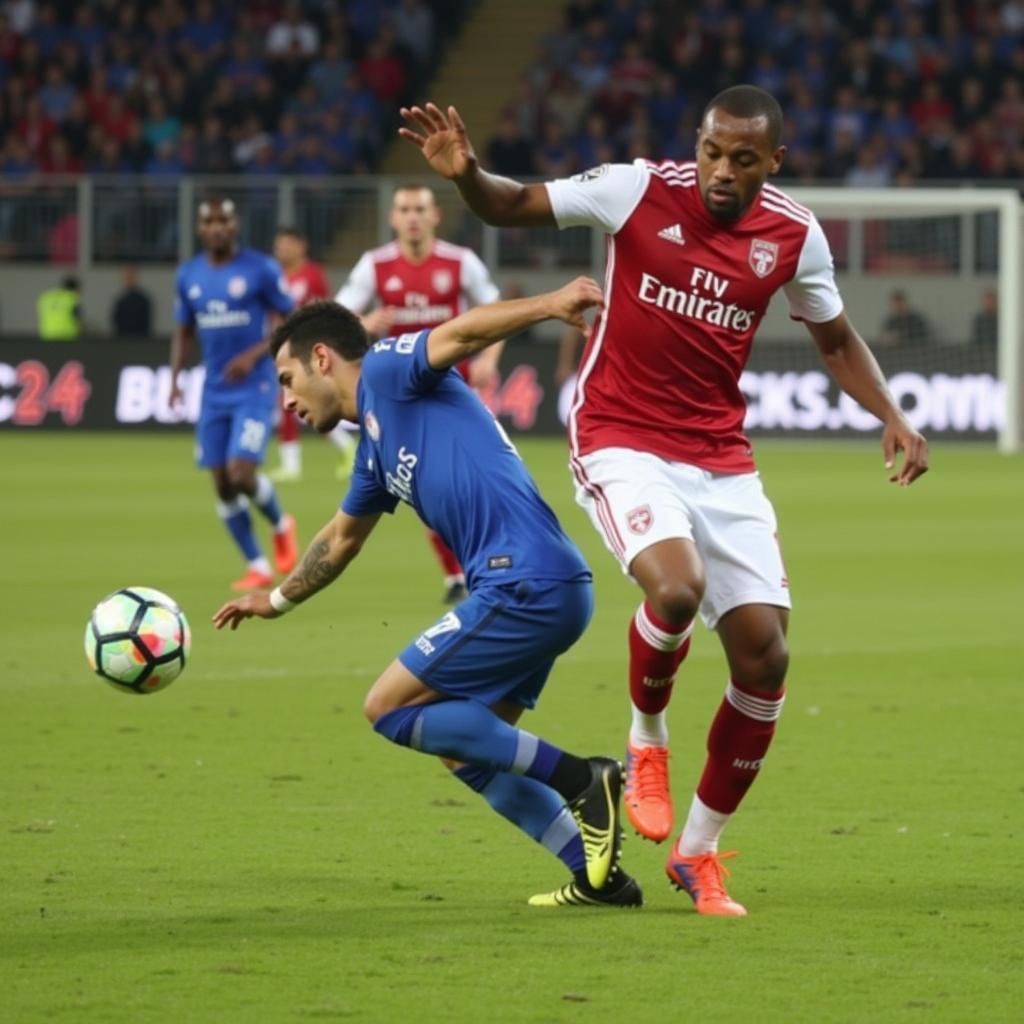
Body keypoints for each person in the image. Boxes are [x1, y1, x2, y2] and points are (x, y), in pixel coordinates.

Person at [400, 86, 930, 916]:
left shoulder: (794, 235)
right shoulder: (635, 188)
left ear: (774, 163)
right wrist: (466, 172)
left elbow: (833, 338)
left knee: (766, 657)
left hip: (720, 453)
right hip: (619, 434)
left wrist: (892, 413)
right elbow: (514, 205)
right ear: (700, 143)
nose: (723, 171)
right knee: (675, 589)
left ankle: (698, 852)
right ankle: (646, 741)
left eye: (744, 160)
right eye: (714, 151)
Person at [213, 280, 640, 909]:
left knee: (387, 707)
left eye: (286, 377)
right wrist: (275, 601)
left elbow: (463, 332)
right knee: (463, 749)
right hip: (550, 586)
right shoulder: (374, 450)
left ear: (322, 358)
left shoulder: (387, 369)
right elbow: (340, 540)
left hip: (522, 580)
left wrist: (548, 305)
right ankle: (599, 878)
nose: (287, 399)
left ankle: (583, 777)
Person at [335, 182, 504, 605]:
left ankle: (468, 568)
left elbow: (493, 308)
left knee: (473, 479)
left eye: (419, 209)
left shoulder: (459, 262)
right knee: (427, 485)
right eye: (404, 209)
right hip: (399, 400)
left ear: (435, 217)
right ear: (393, 218)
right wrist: (365, 323)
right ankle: (460, 571)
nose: (412, 216)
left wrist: (490, 359)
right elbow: (338, 318)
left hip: (453, 391)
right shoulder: (374, 265)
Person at [170, 197, 300, 592]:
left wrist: (254, 353)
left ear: (235, 225)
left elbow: (292, 319)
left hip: (255, 387)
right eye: (208, 221)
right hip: (213, 391)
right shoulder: (188, 275)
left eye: (222, 220)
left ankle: (281, 523)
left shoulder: (260, 269)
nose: (215, 228)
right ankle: (257, 566)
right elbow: (184, 330)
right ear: (199, 228)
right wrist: (175, 378)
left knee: (241, 473)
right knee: (222, 484)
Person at [268, 226, 356, 483]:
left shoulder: (312, 274)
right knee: (292, 402)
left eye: (286, 244)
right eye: (278, 245)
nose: (281, 250)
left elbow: (321, 309)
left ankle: (341, 449)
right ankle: (299, 462)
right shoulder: (274, 275)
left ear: (300, 246)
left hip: (308, 349)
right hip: (284, 349)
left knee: (308, 400)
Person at [110, 266, 153, 339]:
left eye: (130, 277)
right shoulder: (121, 300)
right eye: (126, 278)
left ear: (135, 279)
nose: (127, 280)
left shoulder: (143, 300)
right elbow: (116, 320)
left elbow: (146, 323)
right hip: (123, 339)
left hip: (139, 339)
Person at [37, 275, 81, 341]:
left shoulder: (46, 297)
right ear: (76, 288)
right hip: (67, 336)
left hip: (47, 336)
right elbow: (78, 319)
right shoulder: (72, 298)